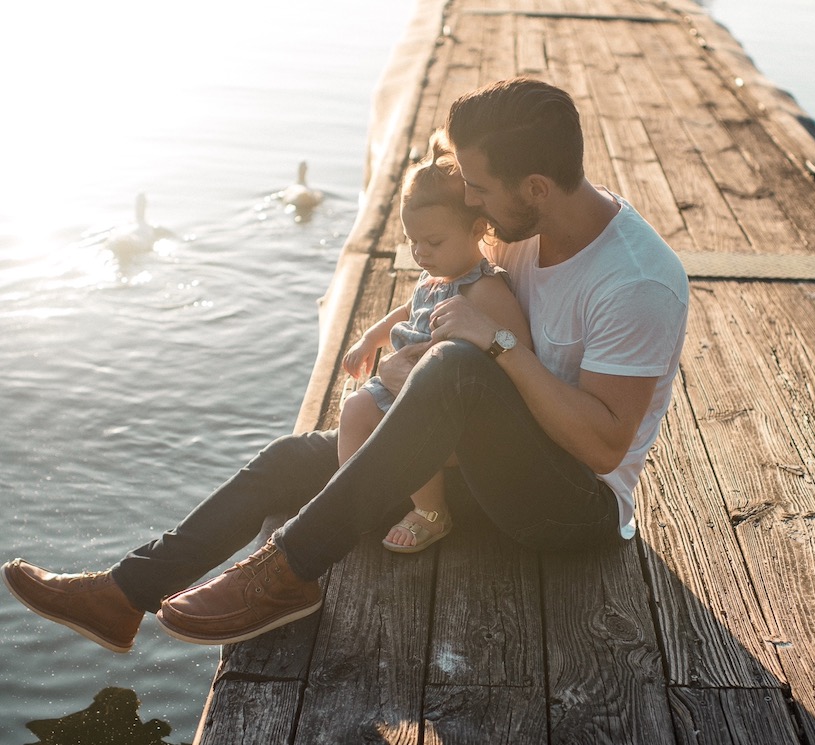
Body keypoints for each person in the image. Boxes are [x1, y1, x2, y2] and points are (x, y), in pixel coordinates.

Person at [2, 77, 689, 652]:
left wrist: (496, 347)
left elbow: (603, 444)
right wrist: (389, 330)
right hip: (481, 466)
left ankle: (288, 571)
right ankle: (124, 594)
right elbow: (451, 294)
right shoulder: (519, 231)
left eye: (478, 187)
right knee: (288, 460)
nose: (469, 200)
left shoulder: (635, 281)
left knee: (454, 367)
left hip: (569, 507)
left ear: (535, 187)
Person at [338, 131, 531, 552]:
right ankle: (356, 499)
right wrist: (371, 338)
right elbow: (407, 310)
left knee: (411, 432)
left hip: (444, 405)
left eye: (434, 242)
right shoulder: (434, 276)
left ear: (478, 227)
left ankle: (432, 511)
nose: (421, 253)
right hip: (402, 381)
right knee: (353, 409)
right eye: (413, 242)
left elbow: (518, 350)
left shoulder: (484, 289)